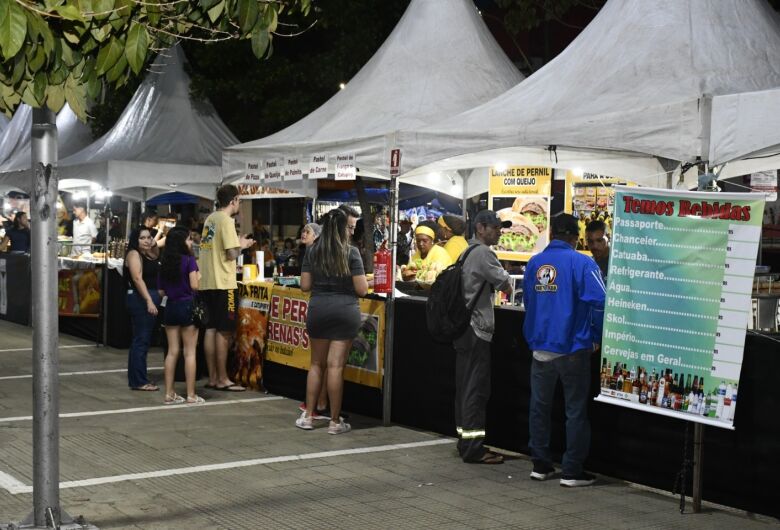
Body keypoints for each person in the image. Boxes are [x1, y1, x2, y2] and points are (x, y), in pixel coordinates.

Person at [523, 213, 606, 487]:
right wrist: (595, 336)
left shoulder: (534, 263)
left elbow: (528, 302)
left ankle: (540, 464)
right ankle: (571, 470)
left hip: (540, 349)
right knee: (575, 411)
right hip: (573, 348)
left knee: (539, 409)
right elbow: (600, 302)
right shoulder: (582, 263)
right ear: (574, 237)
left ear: (551, 234)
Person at [296, 208, 367, 434]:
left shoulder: (312, 251)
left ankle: (308, 416)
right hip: (345, 311)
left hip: (319, 310)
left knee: (317, 364)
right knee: (336, 367)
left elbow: (305, 285)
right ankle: (335, 422)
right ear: (342, 229)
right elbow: (362, 290)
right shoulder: (352, 253)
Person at [453, 210, 513, 464]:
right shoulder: (484, 254)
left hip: (462, 329)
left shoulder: (465, 251)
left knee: (464, 386)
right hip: (477, 329)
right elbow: (506, 283)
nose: (499, 231)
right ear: (480, 228)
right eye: (495, 227)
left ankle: (464, 440)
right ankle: (474, 448)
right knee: (476, 389)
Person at [199, 184, 254, 392]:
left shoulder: (210, 219)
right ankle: (222, 378)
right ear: (233, 201)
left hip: (207, 282)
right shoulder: (226, 221)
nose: (239, 204)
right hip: (223, 283)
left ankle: (213, 377)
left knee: (210, 330)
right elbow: (232, 254)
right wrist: (243, 245)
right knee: (224, 332)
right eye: (239, 201)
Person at [158, 227, 203, 405]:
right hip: (187, 305)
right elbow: (194, 286)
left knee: (172, 351)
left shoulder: (165, 262)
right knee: (190, 353)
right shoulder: (189, 260)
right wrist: (198, 277)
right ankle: (191, 394)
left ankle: (169, 393)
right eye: (188, 239)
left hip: (170, 306)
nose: (191, 242)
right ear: (182, 242)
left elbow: (161, 292)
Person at [124, 226, 162, 392]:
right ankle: (139, 381)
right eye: (143, 238)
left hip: (148, 297)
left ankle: (137, 378)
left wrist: (153, 242)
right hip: (141, 299)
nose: (147, 240)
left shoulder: (147, 253)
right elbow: (137, 279)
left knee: (141, 340)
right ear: (135, 240)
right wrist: (149, 300)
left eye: (149, 237)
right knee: (141, 340)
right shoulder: (134, 254)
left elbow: (156, 254)